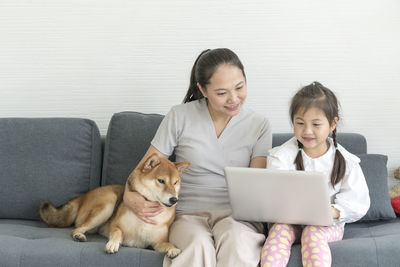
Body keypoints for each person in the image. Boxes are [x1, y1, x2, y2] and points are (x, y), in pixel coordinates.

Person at [123, 48, 272, 267]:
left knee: (237, 242)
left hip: (237, 217)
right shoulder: (179, 116)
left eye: (239, 87)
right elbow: (143, 169)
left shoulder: (259, 125)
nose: (233, 98)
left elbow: (256, 184)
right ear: (202, 89)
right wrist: (129, 197)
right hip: (187, 215)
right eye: (221, 93)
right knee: (197, 245)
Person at [260, 81, 370, 267]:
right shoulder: (281, 156)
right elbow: (273, 195)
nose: (307, 131)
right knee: (278, 232)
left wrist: (332, 211)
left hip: (326, 225)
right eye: (300, 123)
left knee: (313, 232)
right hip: (288, 221)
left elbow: (358, 202)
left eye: (316, 124)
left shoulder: (346, 160)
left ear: (333, 123)